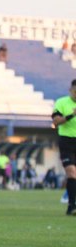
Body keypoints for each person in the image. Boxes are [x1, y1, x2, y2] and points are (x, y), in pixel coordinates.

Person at [51, 79, 76, 215]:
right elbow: (55, 122)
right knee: (71, 172)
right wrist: (72, 115)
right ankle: (71, 205)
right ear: (70, 90)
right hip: (67, 141)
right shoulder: (62, 102)